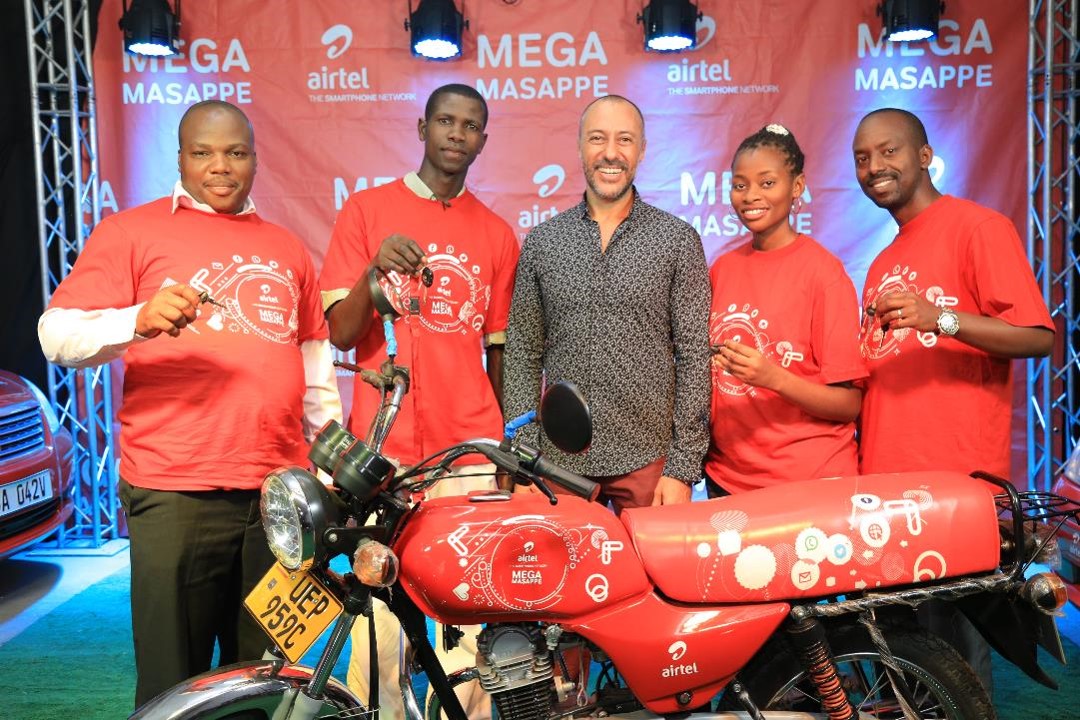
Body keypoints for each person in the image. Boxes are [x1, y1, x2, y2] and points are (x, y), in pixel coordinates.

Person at [37, 100, 342, 708]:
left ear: (255, 159)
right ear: (180, 158)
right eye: (203, 153)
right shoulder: (130, 232)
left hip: (277, 500)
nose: (219, 166)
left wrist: (327, 474)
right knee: (172, 685)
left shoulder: (286, 247)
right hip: (176, 492)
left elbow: (314, 369)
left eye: (235, 153)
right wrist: (138, 318)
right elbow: (56, 336)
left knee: (266, 680)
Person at [319, 83, 518, 720]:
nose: (457, 134)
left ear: (483, 140)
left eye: (470, 125)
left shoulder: (497, 234)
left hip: (468, 456)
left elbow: (499, 352)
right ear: (423, 128)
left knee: (470, 624)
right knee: (378, 623)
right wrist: (373, 272)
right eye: (445, 121)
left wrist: (503, 450)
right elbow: (341, 332)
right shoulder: (367, 211)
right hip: (384, 457)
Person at [852, 107, 1054, 694]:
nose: (874, 166)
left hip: (953, 489)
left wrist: (939, 317)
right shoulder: (884, 261)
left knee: (955, 670)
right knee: (904, 661)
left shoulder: (978, 228)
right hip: (886, 489)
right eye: (862, 158)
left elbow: (1037, 337)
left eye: (888, 151)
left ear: (924, 156)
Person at [504, 94, 711, 512]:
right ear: (580, 146)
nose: (611, 153)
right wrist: (524, 460)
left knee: (653, 559)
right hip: (558, 462)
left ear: (642, 149)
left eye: (625, 140)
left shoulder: (676, 240)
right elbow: (523, 354)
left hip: (649, 461)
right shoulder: (544, 242)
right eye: (598, 138)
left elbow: (694, 357)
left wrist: (682, 468)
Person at [706, 124, 865, 496]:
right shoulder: (722, 268)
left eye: (767, 183)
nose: (750, 196)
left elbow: (848, 404)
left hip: (807, 481)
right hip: (728, 479)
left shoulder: (824, 274)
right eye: (740, 185)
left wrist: (773, 377)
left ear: (797, 187)